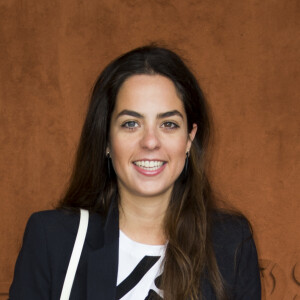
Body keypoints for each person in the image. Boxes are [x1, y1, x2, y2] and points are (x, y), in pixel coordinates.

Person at [9, 45, 261, 299]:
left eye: (169, 124)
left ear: (189, 138)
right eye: (131, 123)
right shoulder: (52, 239)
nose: (150, 142)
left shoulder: (231, 245)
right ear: (106, 139)